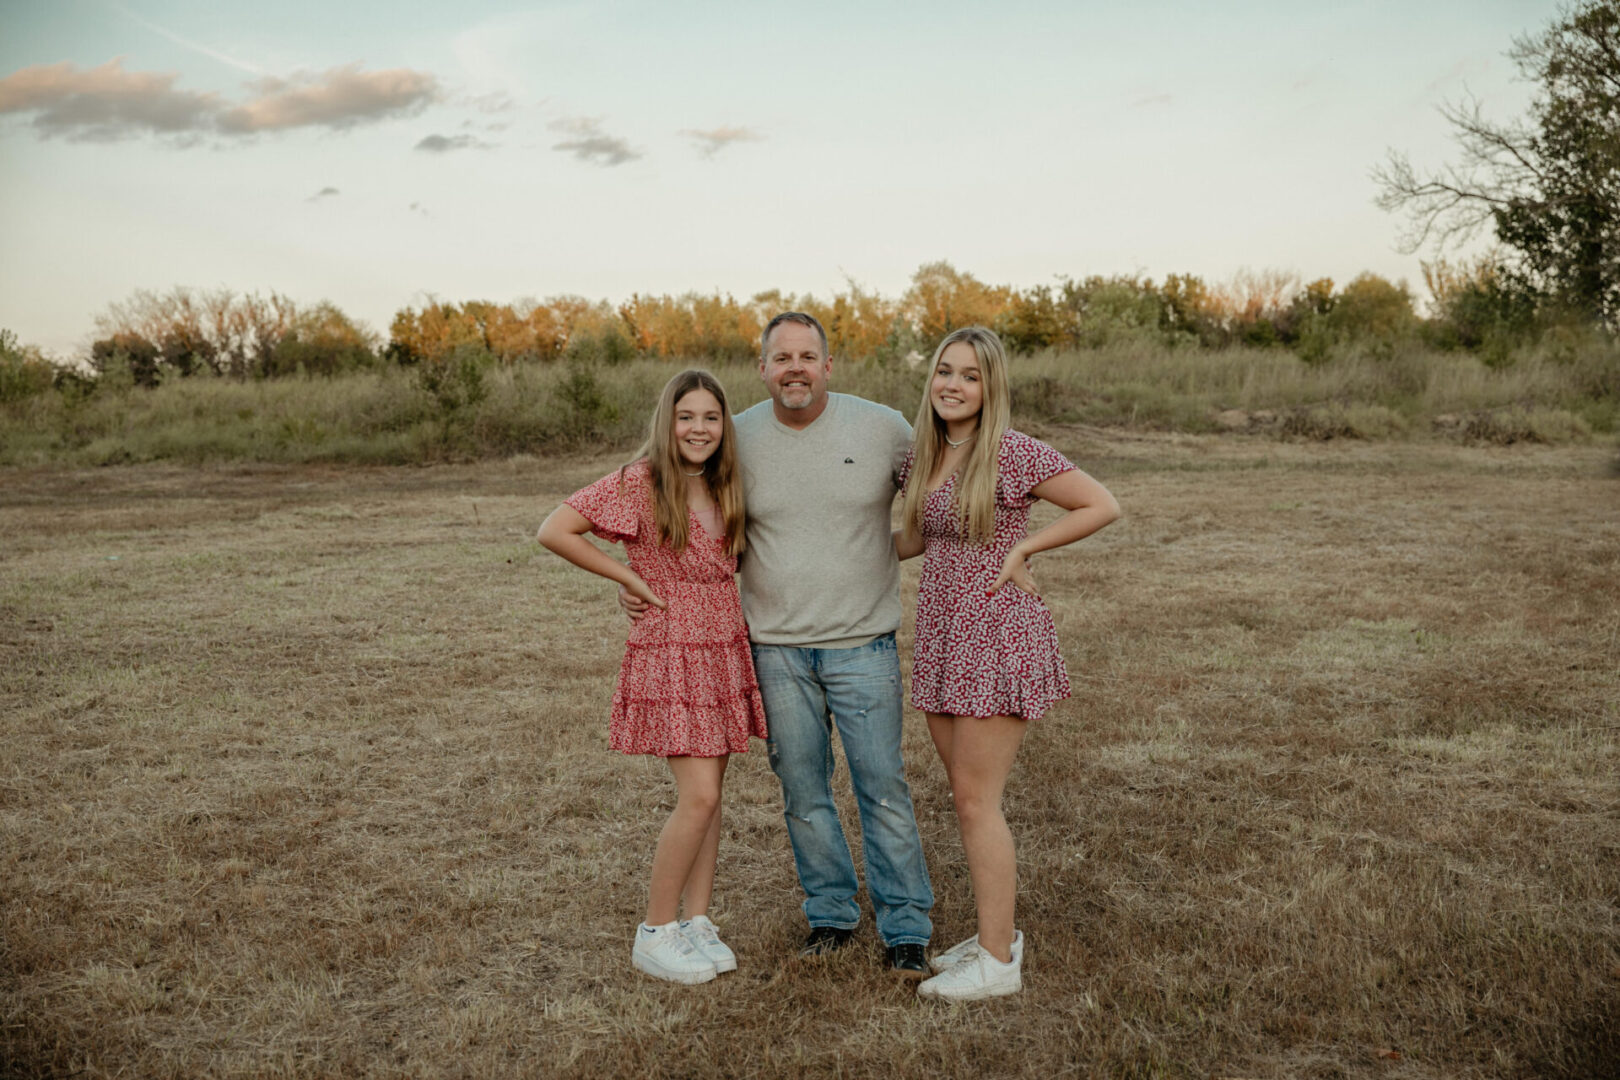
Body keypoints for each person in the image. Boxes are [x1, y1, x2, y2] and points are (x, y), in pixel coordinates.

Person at [622, 313, 935, 977]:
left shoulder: (885, 428)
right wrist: (633, 585)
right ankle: (830, 915)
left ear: (829, 365)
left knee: (882, 788)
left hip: (864, 644)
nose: (795, 367)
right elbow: (688, 526)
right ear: (761, 368)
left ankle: (906, 926)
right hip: (774, 649)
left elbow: (939, 501)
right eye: (781, 357)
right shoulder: (735, 440)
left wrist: (959, 545)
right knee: (803, 791)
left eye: (807, 356)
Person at [894, 326, 1120, 1001]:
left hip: (994, 630)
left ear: (990, 387)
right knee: (964, 796)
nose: (952, 385)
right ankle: (995, 934)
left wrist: (1025, 551)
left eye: (968, 375)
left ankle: (997, 963)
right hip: (940, 633)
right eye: (943, 371)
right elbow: (907, 542)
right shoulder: (920, 458)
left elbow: (1101, 504)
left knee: (975, 800)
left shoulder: (1014, 454)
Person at [538, 368, 768, 985]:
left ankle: (697, 921)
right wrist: (628, 579)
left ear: (725, 426)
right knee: (699, 796)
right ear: (667, 421)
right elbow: (555, 530)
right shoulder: (641, 482)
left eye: (711, 418)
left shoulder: (725, 482)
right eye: (686, 417)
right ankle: (655, 931)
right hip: (671, 646)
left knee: (712, 797)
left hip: (722, 644)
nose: (699, 429)